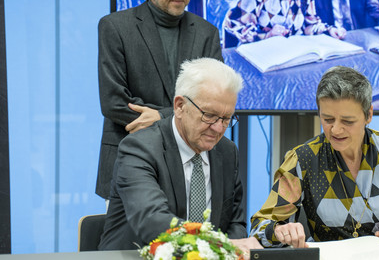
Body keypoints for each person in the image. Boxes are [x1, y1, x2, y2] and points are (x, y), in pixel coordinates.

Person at [250, 66, 379, 248]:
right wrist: (278, 230)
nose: (335, 129)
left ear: (368, 115)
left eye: (347, 121)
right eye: (327, 120)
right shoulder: (302, 159)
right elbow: (259, 227)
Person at [99, 58, 262, 254]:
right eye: (209, 115)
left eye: (226, 119)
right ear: (179, 106)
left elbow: (235, 223)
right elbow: (153, 220)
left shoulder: (227, 152)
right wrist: (218, 245)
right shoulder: (139, 149)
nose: (218, 128)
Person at [96, 0, 223, 199]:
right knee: (130, 239)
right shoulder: (114, 27)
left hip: (189, 164)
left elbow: (214, 103)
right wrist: (179, 117)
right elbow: (113, 102)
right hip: (130, 161)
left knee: (189, 239)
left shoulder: (207, 33)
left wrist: (160, 117)